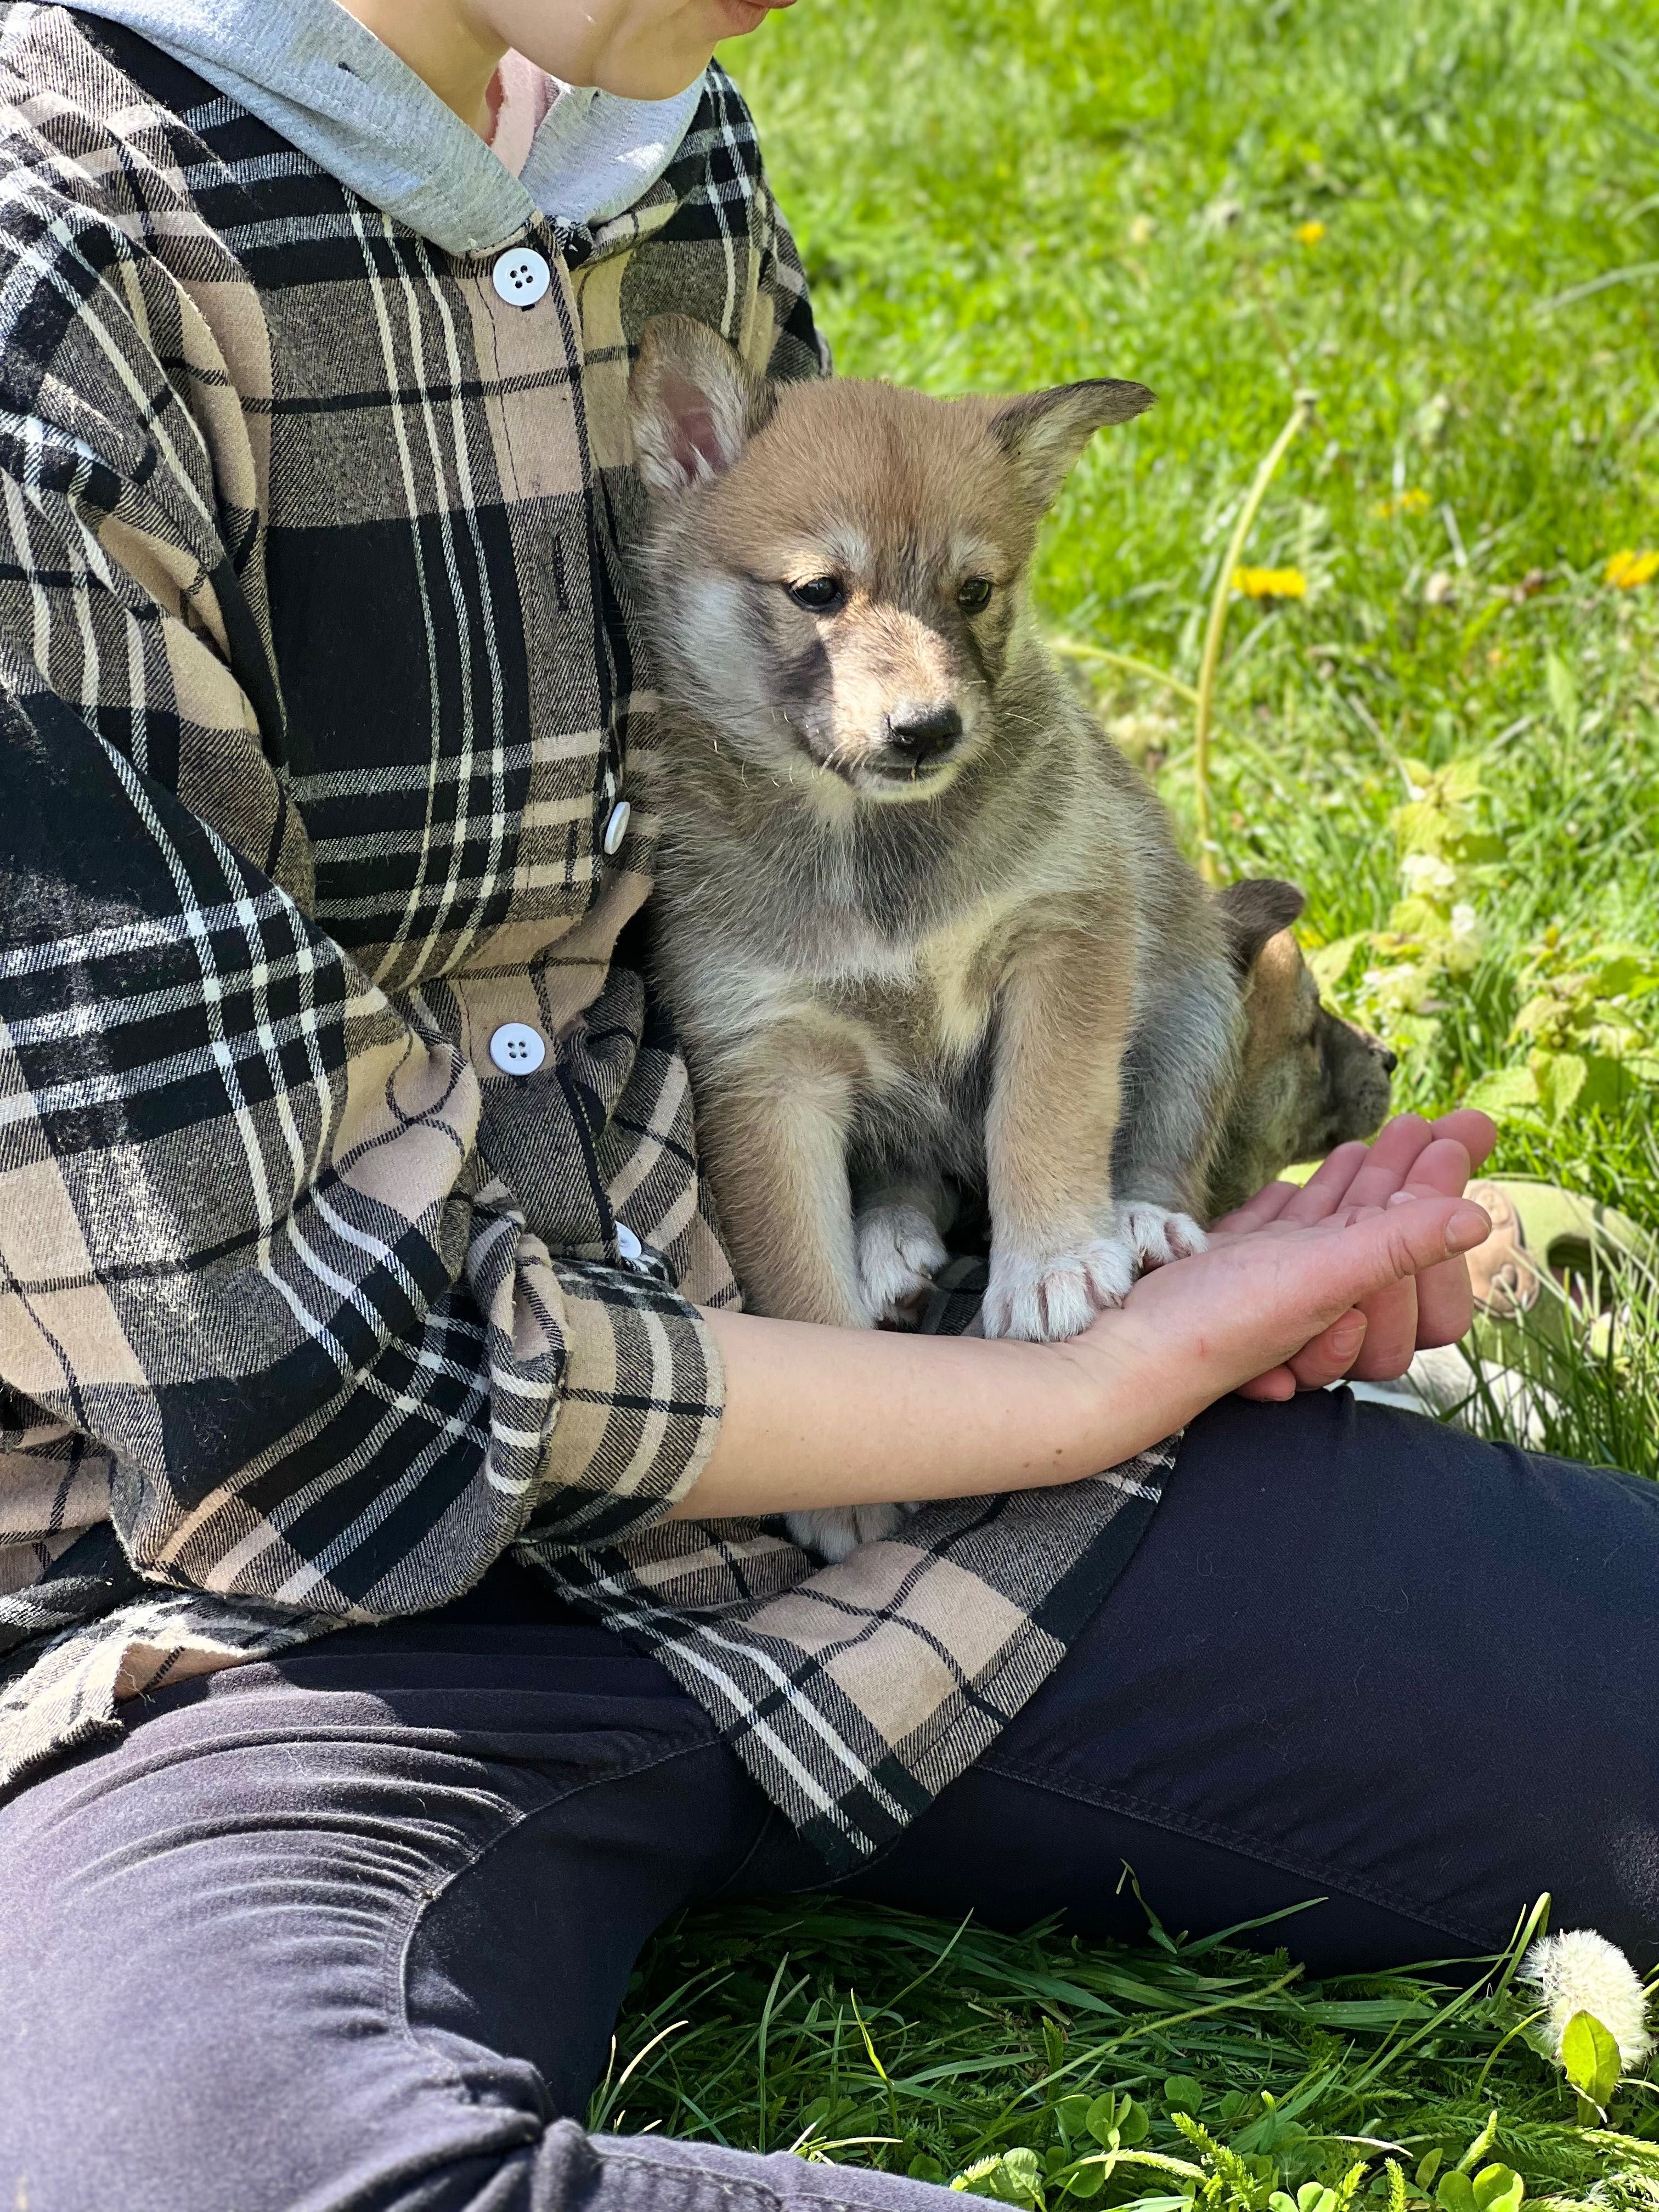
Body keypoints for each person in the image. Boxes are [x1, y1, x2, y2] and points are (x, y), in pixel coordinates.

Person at [0, 3, 1654, 2205]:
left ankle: (1505, 1282)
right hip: (245, 1634)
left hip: (861, 1449)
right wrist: (1080, 1397)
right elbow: (285, 1404)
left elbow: (865, 832)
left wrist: (1107, 1227)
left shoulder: (637, 129)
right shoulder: (56, 297)